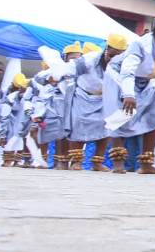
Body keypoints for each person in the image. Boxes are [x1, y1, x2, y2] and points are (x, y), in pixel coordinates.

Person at [103, 4, 155, 174]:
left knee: (153, 118)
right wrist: (129, 94)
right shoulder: (140, 45)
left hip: (148, 82)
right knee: (118, 118)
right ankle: (118, 164)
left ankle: (146, 164)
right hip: (120, 79)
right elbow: (127, 71)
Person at [54, 36, 129, 171]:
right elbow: (70, 69)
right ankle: (76, 162)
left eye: (118, 56)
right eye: (112, 55)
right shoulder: (90, 59)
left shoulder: (123, 64)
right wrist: (58, 75)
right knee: (78, 126)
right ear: (106, 49)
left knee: (106, 128)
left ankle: (97, 162)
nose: (113, 59)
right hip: (83, 96)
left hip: (105, 98)